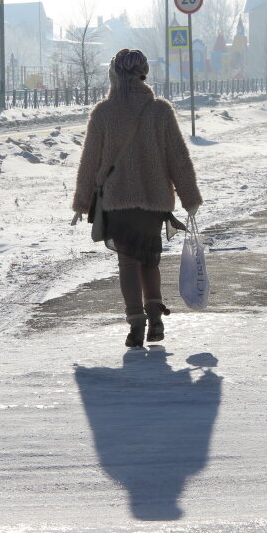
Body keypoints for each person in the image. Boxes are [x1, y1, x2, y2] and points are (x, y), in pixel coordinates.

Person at [71, 49, 202, 348]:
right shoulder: (161, 111)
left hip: (118, 201)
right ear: (144, 74)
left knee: (128, 264)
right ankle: (155, 314)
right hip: (154, 200)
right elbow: (178, 159)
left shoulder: (103, 113)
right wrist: (189, 197)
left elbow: (90, 161)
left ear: (114, 74)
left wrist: (82, 202)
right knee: (149, 260)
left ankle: (135, 325)